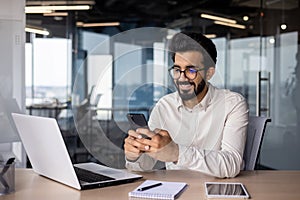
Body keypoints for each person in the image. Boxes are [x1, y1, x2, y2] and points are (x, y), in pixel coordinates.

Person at [124, 32, 249, 178]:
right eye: (177, 70)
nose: (182, 78)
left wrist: (176, 153)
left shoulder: (232, 104)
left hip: (218, 189)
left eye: (191, 70)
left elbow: (231, 164)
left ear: (209, 73)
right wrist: (134, 155)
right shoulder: (165, 106)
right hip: (174, 189)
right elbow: (145, 166)